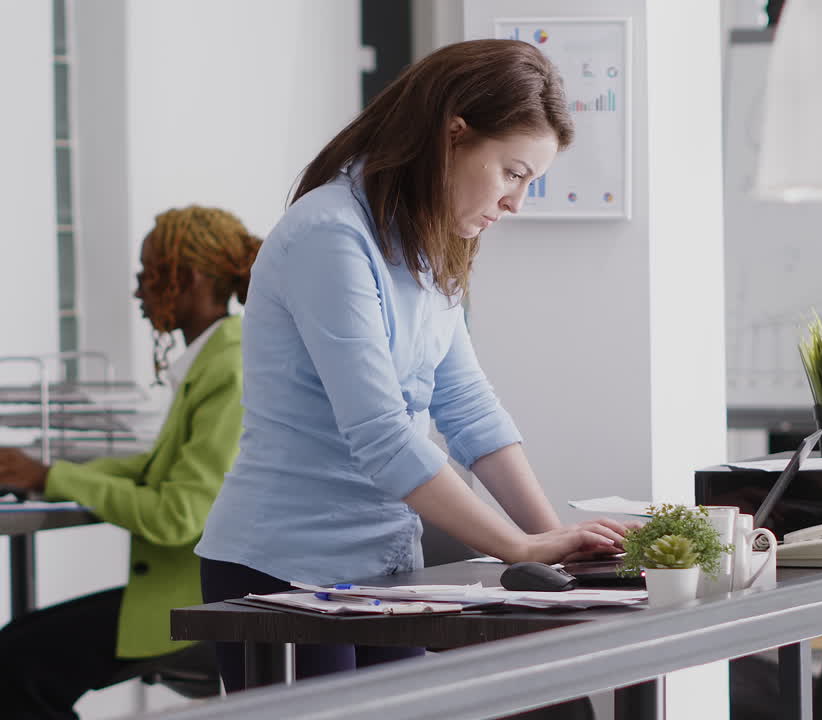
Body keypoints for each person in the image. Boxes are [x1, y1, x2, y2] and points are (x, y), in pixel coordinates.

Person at [194, 39, 631, 698]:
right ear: (454, 136)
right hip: (279, 570)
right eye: (512, 172)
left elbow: (470, 412)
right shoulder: (330, 237)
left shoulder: (426, 246)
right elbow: (384, 436)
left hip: (384, 571)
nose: (516, 202)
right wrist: (518, 548)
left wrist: (555, 540)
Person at [0, 206, 260, 719]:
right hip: (184, 592)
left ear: (184, 279)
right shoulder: (217, 355)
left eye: (147, 274)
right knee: (16, 651)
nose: (139, 291)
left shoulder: (229, 366)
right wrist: (43, 475)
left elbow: (177, 513)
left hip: (198, 606)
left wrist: (54, 475)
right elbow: (155, 468)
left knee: (15, 667)